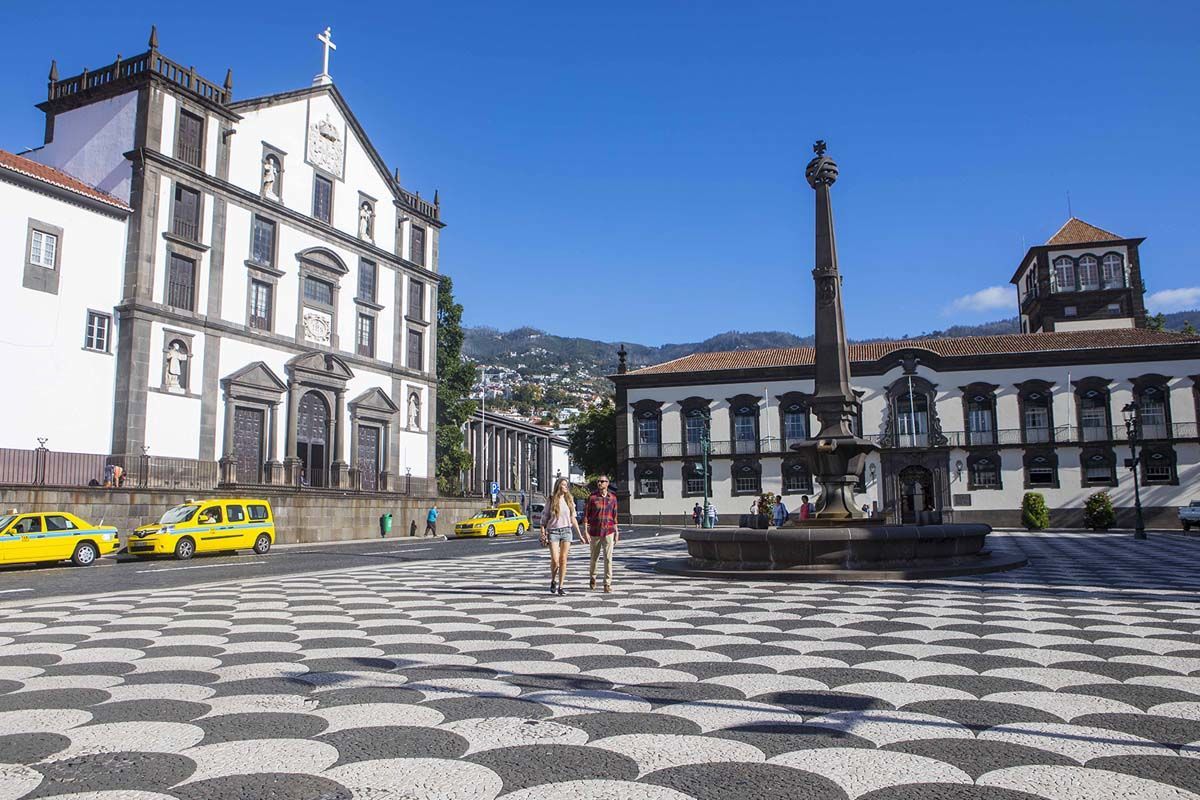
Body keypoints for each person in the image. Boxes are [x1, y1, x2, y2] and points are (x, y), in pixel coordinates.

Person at [541, 477, 585, 596]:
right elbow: (544, 517)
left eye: (566, 485)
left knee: (563, 559)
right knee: (555, 560)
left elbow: (573, 518)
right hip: (553, 532)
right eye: (564, 484)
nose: (566, 487)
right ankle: (553, 580)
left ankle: (561, 586)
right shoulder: (551, 499)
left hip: (566, 531)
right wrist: (542, 531)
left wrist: (580, 535)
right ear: (558, 485)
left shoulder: (569, 499)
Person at [585, 475, 620, 593]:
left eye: (602, 481)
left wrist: (616, 531)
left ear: (607, 483)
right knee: (594, 558)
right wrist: (586, 532)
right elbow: (586, 516)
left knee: (608, 558)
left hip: (609, 531)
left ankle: (607, 583)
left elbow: (614, 517)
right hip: (595, 532)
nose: (600, 483)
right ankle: (593, 577)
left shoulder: (613, 498)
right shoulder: (592, 497)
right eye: (598, 481)